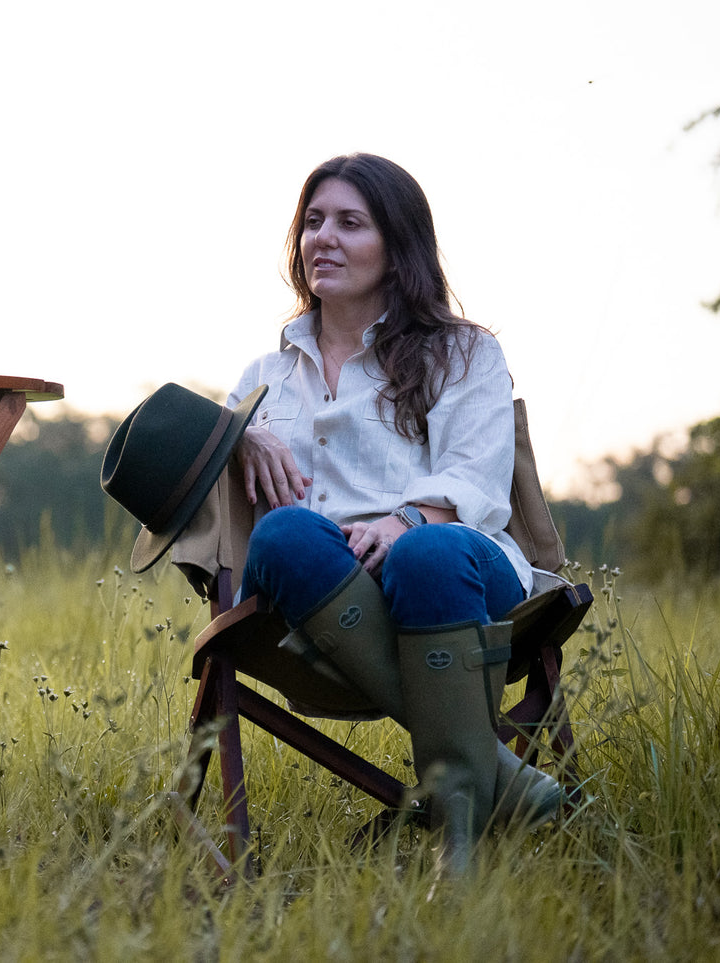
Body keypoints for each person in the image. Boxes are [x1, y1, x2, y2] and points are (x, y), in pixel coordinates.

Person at [226, 153, 562, 874]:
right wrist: (237, 433)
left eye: (350, 223)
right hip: (313, 593)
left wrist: (407, 519)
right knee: (282, 532)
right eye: (312, 222)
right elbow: (191, 468)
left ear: (396, 245)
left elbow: (476, 476)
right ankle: (493, 776)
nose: (323, 238)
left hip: (452, 576)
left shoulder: (463, 351)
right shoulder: (263, 375)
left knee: (426, 552)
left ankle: (458, 837)